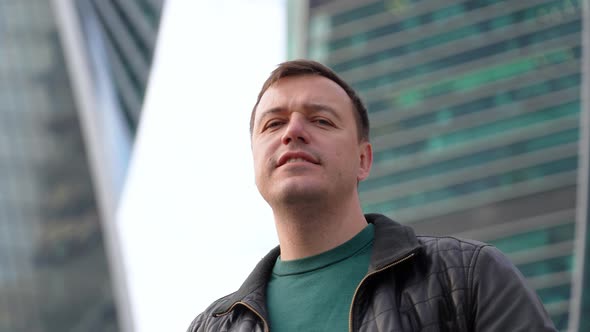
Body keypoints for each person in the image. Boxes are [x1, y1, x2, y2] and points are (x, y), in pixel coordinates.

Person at [187, 60, 556, 331]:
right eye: (273, 123)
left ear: (363, 160)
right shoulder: (211, 326)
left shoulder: (467, 277)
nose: (293, 131)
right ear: (254, 159)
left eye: (321, 120)